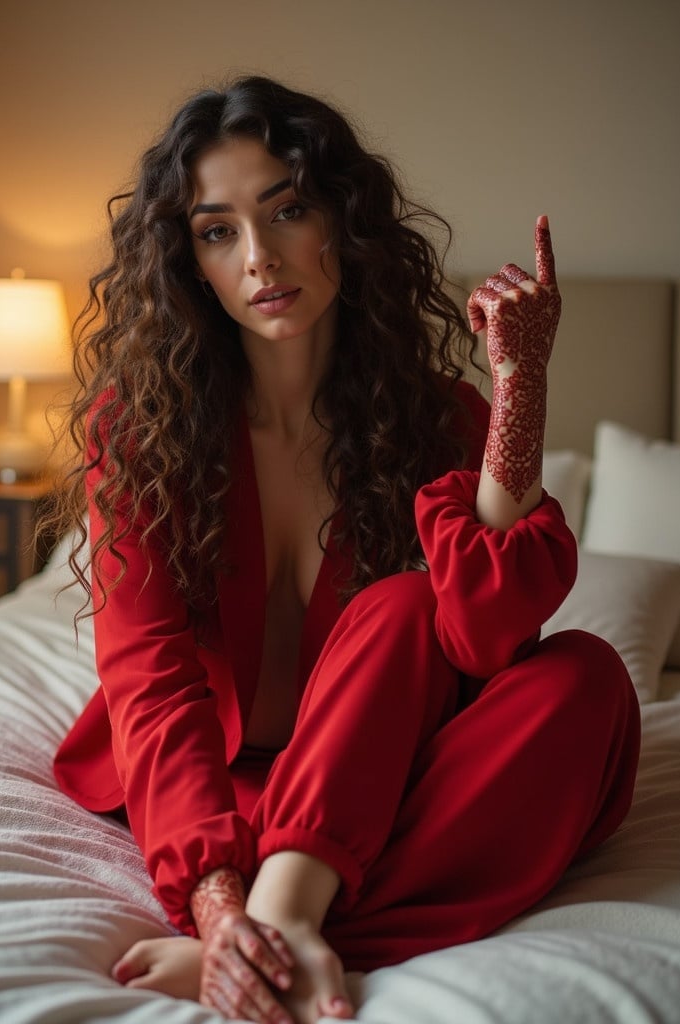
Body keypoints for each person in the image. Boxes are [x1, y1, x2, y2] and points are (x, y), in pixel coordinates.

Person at [50, 75, 640, 1024]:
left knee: (587, 682)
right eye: (217, 230)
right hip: (218, 794)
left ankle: (281, 926)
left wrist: (521, 386)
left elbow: (488, 642)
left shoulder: (440, 419)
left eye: (287, 211)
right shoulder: (142, 431)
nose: (259, 258)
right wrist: (213, 895)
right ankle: (286, 928)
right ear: (187, 261)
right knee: (406, 603)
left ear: (344, 221)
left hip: (378, 779)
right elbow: (149, 677)